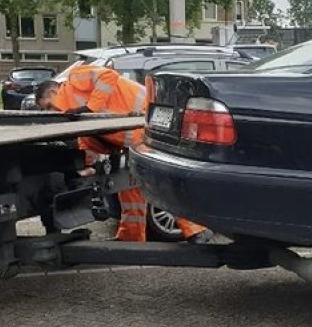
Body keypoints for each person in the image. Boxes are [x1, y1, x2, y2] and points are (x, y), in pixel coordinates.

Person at [34, 72, 211, 243]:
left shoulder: (76, 80)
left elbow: (108, 76)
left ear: (53, 92)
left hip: (146, 125)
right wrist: (87, 164)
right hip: (135, 137)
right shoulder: (74, 111)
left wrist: (90, 108)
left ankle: (197, 230)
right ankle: (131, 235)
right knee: (129, 189)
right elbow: (89, 138)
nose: (52, 111)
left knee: (159, 183)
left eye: (48, 106)